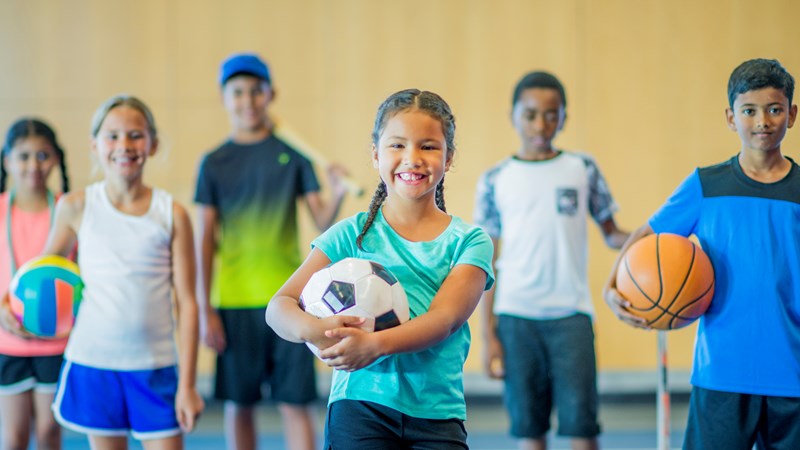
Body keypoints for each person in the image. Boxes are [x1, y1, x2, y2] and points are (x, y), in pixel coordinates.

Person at [266, 88, 495, 448]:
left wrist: (374, 345)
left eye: (429, 146)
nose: (412, 158)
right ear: (375, 155)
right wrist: (315, 329)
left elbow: (444, 320)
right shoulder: (350, 235)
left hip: (436, 413)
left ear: (449, 157)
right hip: (360, 406)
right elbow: (279, 306)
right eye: (397, 145)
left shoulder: (469, 241)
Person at [604, 58, 800, 449]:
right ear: (731, 117)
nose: (762, 120)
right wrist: (613, 287)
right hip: (722, 371)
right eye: (749, 110)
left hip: (793, 372)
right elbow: (646, 235)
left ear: (792, 115)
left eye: (774, 109)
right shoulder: (705, 186)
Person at [194, 52, 347, 450]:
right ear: (224, 98)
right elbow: (205, 238)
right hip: (234, 300)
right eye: (238, 92)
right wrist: (204, 306)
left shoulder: (293, 155)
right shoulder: (213, 163)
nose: (247, 100)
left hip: (292, 300)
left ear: (270, 94)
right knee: (239, 404)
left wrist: (340, 190)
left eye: (256, 91)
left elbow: (322, 223)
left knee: (296, 403)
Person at [474, 71, 629, 450]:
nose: (540, 124)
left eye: (551, 114)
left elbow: (613, 234)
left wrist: (658, 238)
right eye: (530, 115)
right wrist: (487, 336)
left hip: (571, 316)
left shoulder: (583, 169)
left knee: (582, 430)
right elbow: (485, 263)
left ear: (564, 118)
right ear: (513, 116)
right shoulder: (495, 179)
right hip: (516, 318)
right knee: (530, 433)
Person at [42, 95, 204, 449]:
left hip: (155, 367)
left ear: (153, 143)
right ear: (94, 144)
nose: (124, 146)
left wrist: (188, 384)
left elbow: (188, 303)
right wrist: (11, 304)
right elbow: (40, 275)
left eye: (135, 135)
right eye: (112, 136)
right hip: (93, 362)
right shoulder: (75, 207)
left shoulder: (172, 214)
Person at [0, 118, 70, 450]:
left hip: (57, 341)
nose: (34, 165)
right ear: (7, 161)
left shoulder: (68, 211)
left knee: (48, 433)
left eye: (43, 155)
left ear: (56, 158)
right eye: (24, 156)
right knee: (13, 439)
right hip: (7, 341)